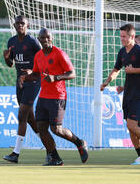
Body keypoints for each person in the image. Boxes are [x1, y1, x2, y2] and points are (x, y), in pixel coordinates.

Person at [19, 28, 88, 166]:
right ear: (39, 40)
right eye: (42, 38)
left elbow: (72, 73)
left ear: (52, 38)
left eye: (48, 37)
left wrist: (56, 77)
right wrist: (26, 77)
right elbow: (37, 74)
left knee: (56, 129)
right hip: (43, 96)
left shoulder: (59, 54)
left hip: (58, 96)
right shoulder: (38, 55)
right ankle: (55, 157)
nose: (45, 40)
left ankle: (79, 142)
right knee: (41, 127)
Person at [100, 24, 140, 165]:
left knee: (132, 125)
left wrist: (135, 70)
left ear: (132, 36)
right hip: (128, 94)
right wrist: (107, 81)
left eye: (124, 36)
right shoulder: (122, 52)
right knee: (130, 127)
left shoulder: (139, 50)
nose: (122, 39)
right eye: (121, 36)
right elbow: (116, 68)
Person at [3, 15, 42, 163]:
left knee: (21, 115)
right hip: (20, 82)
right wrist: (7, 58)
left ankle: (15, 153)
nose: (20, 25)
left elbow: (42, 60)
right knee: (30, 118)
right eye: (17, 23)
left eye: (22, 23)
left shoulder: (33, 42)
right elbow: (11, 64)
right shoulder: (11, 41)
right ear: (14, 25)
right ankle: (49, 145)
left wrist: (33, 71)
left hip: (33, 81)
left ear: (27, 25)